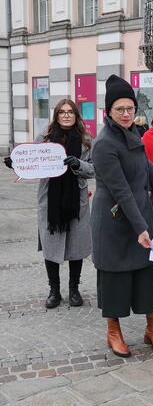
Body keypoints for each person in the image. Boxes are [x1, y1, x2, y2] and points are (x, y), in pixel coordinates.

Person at [91, 75, 153, 357]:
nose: (127, 114)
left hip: (139, 213)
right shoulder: (103, 144)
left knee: (145, 274)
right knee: (115, 277)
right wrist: (141, 227)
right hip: (115, 221)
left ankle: (152, 329)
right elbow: (121, 190)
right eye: (120, 110)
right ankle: (113, 332)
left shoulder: (133, 134)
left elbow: (145, 166)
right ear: (109, 112)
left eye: (130, 108)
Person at [4, 99, 94, 309]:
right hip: (50, 200)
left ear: (76, 115)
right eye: (62, 112)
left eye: (70, 112)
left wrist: (77, 163)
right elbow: (32, 162)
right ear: (56, 115)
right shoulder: (44, 138)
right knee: (50, 245)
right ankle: (54, 290)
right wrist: (16, 163)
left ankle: (74, 289)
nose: (66, 115)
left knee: (76, 245)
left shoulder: (86, 139)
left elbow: (94, 169)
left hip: (76, 200)